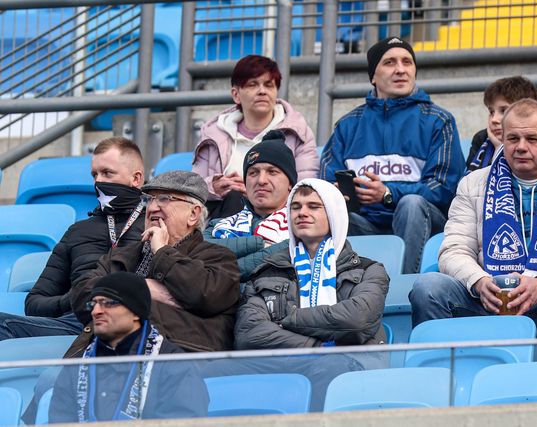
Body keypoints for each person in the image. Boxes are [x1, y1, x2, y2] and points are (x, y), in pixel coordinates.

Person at [409, 99, 537, 337]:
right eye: (512, 139)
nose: (520, 147)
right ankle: (443, 372)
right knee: (428, 287)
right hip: (489, 302)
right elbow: (453, 250)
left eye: (532, 139)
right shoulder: (472, 184)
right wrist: (479, 282)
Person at [207, 178, 389, 410]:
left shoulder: (368, 270)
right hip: (283, 361)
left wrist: (290, 320)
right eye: (296, 206)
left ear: (334, 214)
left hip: (350, 363)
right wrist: (317, 347)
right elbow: (249, 333)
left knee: (330, 368)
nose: (302, 213)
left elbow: (356, 320)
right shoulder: (268, 270)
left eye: (313, 206)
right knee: (208, 369)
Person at [320, 36, 465, 273]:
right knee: (326, 212)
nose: (400, 70)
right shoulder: (347, 126)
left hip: (424, 224)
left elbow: (444, 189)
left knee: (411, 204)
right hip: (365, 223)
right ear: (373, 76)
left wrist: (387, 193)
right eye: (389, 63)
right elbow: (324, 184)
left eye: (407, 62)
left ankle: (406, 291)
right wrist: (336, 194)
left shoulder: (438, 121)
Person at [70, 170, 240, 352]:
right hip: (103, 355)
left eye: (165, 199)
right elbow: (81, 296)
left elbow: (203, 294)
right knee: (50, 378)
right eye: (149, 200)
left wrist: (161, 251)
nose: (152, 208)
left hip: (177, 361)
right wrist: (141, 289)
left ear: (193, 214)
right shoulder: (121, 255)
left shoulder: (219, 257)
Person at [0, 137, 145, 340]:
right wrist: (77, 298)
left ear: (136, 179)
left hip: (138, 322)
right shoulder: (77, 231)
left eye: (107, 173)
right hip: (77, 323)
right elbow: (34, 303)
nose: (98, 182)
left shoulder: (158, 224)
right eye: (94, 174)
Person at [49, 272, 209, 422]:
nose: (96, 311)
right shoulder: (77, 365)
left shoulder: (172, 363)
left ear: (136, 312)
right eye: (94, 304)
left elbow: (185, 420)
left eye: (108, 303)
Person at [192, 55, 319, 218]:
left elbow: (304, 188)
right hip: (222, 214)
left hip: (280, 218)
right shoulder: (213, 134)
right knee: (233, 199)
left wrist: (256, 191)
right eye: (252, 85)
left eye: (269, 85)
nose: (262, 91)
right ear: (236, 94)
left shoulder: (297, 132)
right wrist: (214, 187)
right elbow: (193, 190)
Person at [204, 130, 295, 281]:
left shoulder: (301, 224)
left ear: (290, 184)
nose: (261, 180)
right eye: (253, 173)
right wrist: (260, 243)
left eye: (272, 172)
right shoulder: (217, 225)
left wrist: (219, 271)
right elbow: (201, 251)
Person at [468, 76, 537, 172]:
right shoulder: (481, 139)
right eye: (491, 112)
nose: (494, 119)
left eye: (504, 111)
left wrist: (502, 149)